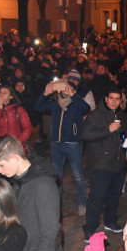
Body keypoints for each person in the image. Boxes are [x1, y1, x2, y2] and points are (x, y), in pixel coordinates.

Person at [82, 88, 127, 241]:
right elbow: (85, 135)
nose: (113, 101)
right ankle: (90, 228)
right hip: (100, 165)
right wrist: (108, 130)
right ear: (106, 99)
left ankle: (110, 221)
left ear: (121, 101)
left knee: (114, 196)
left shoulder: (124, 117)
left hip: (118, 165)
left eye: (117, 99)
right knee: (96, 198)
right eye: (111, 98)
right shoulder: (95, 116)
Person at [34, 79, 91, 216]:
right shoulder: (55, 103)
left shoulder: (76, 103)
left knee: (78, 176)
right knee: (57, 176)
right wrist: (45, 93)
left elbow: (86, 108)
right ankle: (57, 205)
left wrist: (73, 95)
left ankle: (82, 203)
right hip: (56, 144)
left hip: (73, 144)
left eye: (68, 87)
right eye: (63, 86)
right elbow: (38, 107)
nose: (64, 89)